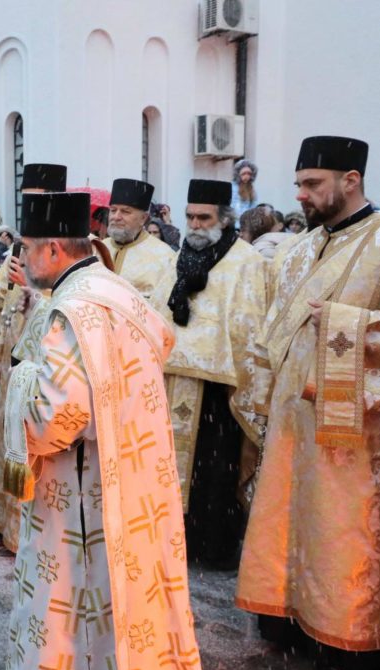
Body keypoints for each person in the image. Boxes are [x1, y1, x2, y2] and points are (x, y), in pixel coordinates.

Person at [0, 190, 202, 670]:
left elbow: (55, 422)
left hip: (83, 492)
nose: (20, 261)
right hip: (135, 478)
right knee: (132, 601)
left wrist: (20, 378)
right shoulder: (118, 291)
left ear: (52, 250)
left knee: (76, 606)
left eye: (26, 249)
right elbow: (162, 340)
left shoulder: (70, 311)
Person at [237, 136, 380, 670]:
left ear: (351, 181)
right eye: (299, 184)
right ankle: (289, 620)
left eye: (312, 184)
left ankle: (349, 639)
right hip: (290, 417)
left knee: (341, 530)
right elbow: (274, 323)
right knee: (287, 514)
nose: (300, 195)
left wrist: (342, 323)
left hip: (353, 429)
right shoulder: (300, 248)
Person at [150, 179, 267, 570]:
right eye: (189, 217)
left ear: (224, 219)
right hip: (171, 382)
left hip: (220, 392)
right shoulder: (175, 257)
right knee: (167, 467)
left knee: (215, 473)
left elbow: (250, 325)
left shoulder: (246, 261)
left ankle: (212, 547)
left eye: (204, 217)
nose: (195, 225)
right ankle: (172, 541)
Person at [0, 163, 68, 552]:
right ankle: (9, 525)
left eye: (39, 199)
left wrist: (35, 294)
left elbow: (67, 306)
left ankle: (33, 534)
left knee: (37, 442)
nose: (31, 206)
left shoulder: (65, 248)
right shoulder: (18, 250)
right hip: (13, 354)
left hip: (45, 364)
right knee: (7, 435)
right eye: (27, 199)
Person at [103, 178, 177, 298]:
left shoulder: (164, 257)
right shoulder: (97, 248)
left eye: (125, 212)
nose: (116, 217)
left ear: (143, 218)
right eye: (113, 210)